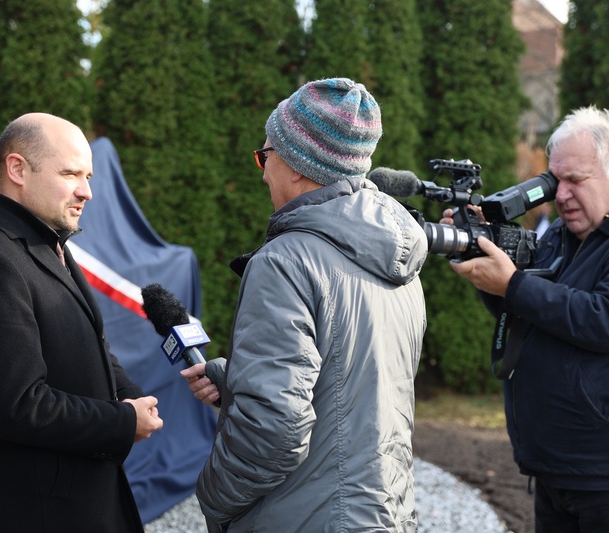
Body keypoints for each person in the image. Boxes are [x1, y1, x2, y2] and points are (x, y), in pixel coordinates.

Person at [180, 78, 428, 532]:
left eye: (266, 154)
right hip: (385, 515)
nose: (262, 170)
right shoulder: (400, 262)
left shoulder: (286, 261)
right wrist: (237, 379)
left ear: (296, 165)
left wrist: (212, 496)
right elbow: (356, 385)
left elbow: (273, 429)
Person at [446, 106, 609, 532]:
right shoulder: (566, 235)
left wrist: (512, 284)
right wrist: (485, 268)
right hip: (559, 466)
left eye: (574, 181)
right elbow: (529, 314)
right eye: (554, 180)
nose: (559, 195)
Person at [0, 112, 164, 533]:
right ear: (18, 169)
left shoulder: (49, 242)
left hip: (84, 501)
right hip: (36, 514)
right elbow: (21, 406)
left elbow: (90, 342)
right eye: (70, 173)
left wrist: (133, 398)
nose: (87, 191)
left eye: (89, 175)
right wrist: (122, 422)